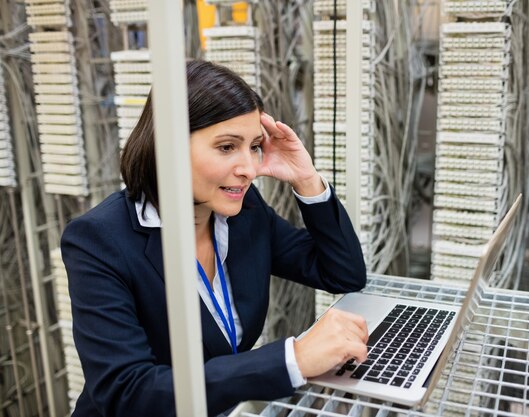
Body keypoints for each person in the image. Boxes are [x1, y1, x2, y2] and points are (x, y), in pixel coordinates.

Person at [60, 60, 368, 417]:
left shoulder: (243, 212)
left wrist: (307, 178)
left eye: (254, 146)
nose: (250, 169)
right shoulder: (98, 240)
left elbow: (343, 273)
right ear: (167, 147)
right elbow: (128, 391)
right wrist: (292, 358)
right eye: (226, 147)